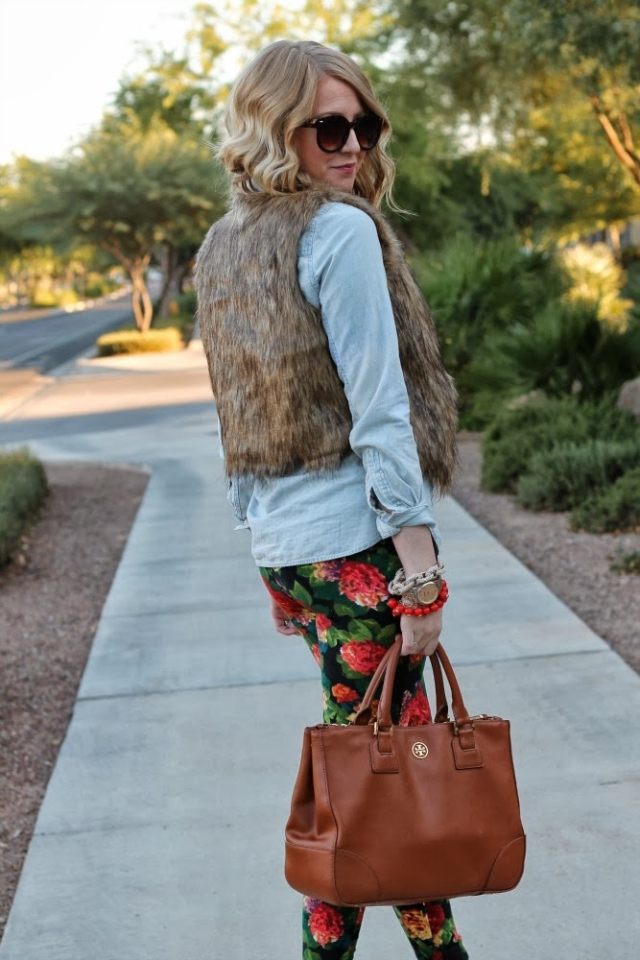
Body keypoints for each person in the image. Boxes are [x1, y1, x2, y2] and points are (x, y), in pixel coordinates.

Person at [194, 38, 468, 960]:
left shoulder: (225, 243)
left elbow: (236, 417)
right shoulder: (339, 231)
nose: (352, 146)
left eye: (365, 124)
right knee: (380, 788)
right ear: (280, 131)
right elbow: (380, 407)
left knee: (366, 771)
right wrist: (419, 565)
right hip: (360, 549)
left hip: (297, 554)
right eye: (330, 127)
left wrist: (267, 560)